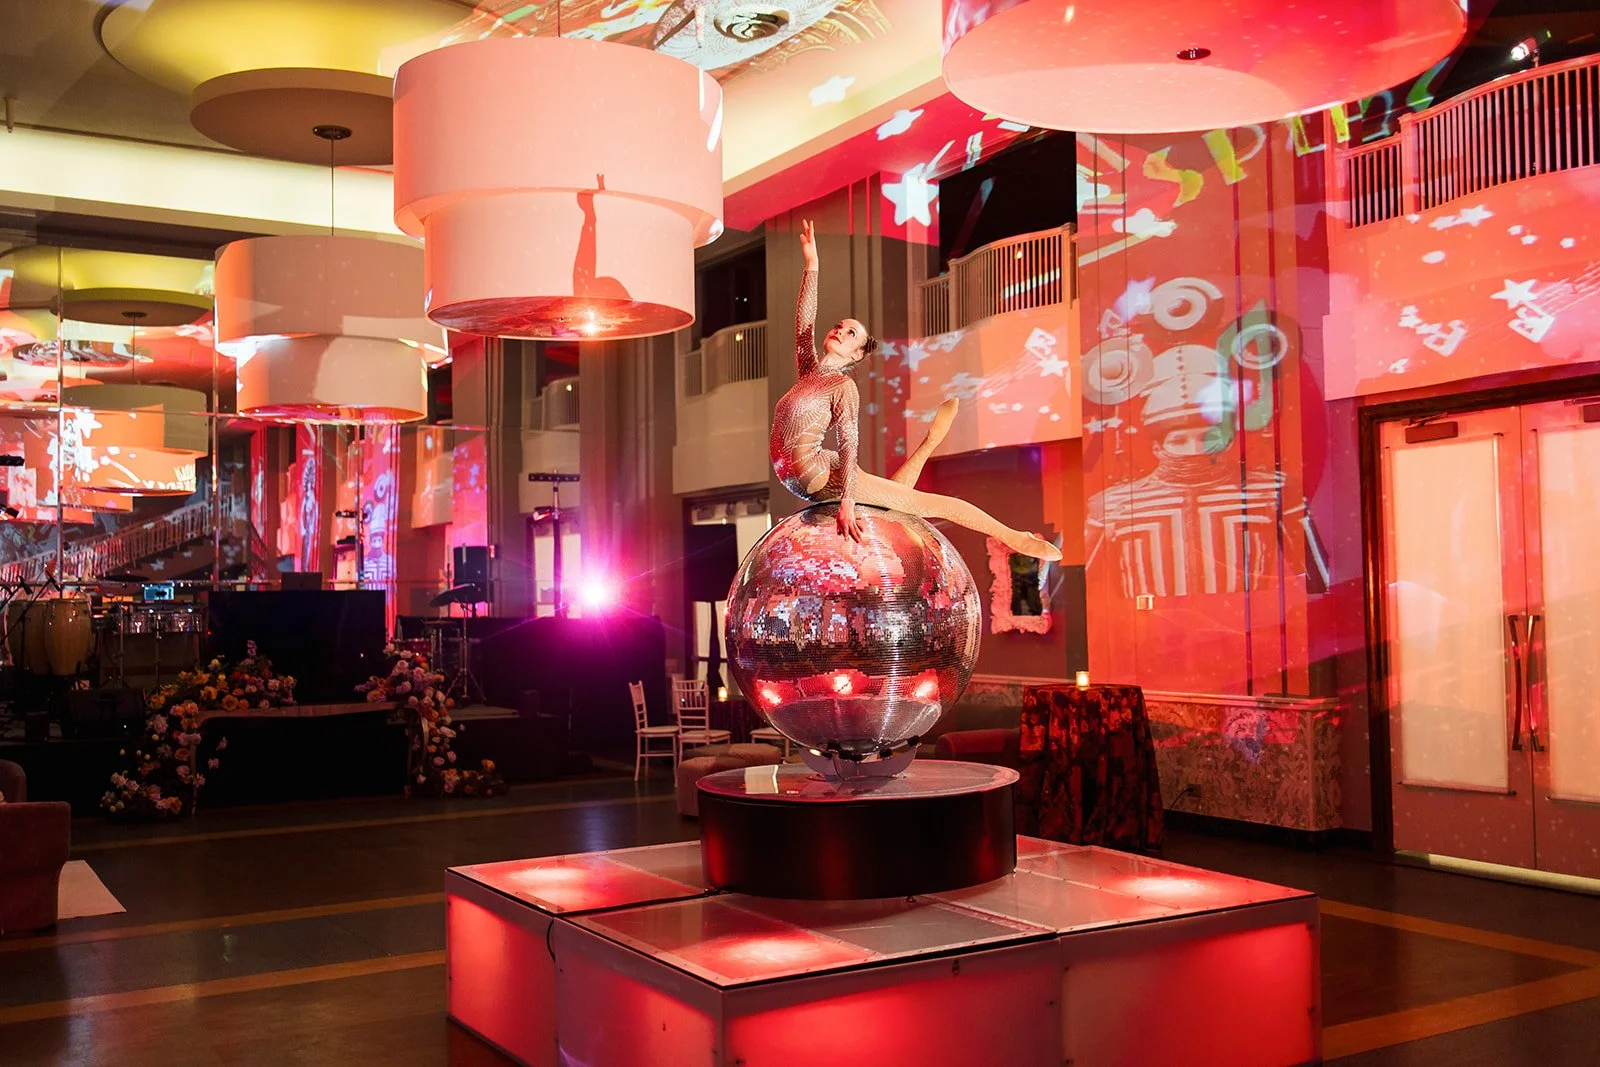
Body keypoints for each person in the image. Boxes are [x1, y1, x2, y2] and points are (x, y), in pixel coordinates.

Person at [769, 219, 1060, 560]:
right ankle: (932, 440)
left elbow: (849, 442)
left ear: (857, 354)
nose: (840, 332)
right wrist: (812, 265)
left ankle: (1014, 537)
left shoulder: (843, 387)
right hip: (808, 474)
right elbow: (804, 323)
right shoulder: (809, 372)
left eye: (851, 334)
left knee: (922, 503)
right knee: (895, 501)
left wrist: (847, 501)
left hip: (820, 473)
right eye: (839, 327)